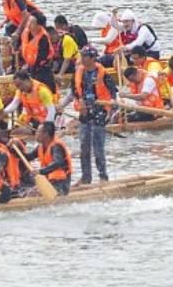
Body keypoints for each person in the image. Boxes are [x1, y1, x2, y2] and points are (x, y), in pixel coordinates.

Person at [71, 46, 114, 185]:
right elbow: (74, 93)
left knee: (98, 147)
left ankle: (103, 176)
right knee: (84, 147)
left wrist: (110, 111)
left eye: (85, 56)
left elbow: (113, 93)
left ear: (92, 58)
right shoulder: (79, 72)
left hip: (99, 113)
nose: (82, 59)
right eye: (81, 56)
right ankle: (86, 177)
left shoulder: (103, 73)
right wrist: (62, 105)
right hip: (85, 113)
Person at [30, 121, 72, 196]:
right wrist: (13, 148)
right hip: (49, 181)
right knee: (30, 191)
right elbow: (29, 157)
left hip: (62, 184)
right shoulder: (41, 146)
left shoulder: (56, 146)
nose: (36, 134)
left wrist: (40, 171)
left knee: (35, 193)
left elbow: (57, 163)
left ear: (46, 134)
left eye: (38, 132)